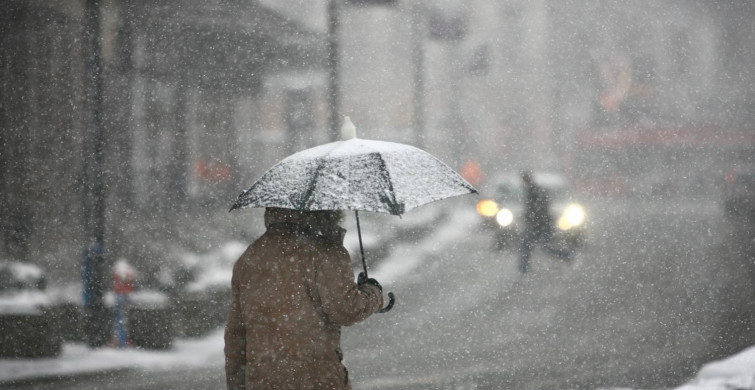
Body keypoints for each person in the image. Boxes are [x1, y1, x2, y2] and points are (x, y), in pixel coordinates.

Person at [224, 207, 384, 389]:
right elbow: (347, 309)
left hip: (262, 381)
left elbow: (236, 334)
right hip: (316, 378)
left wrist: (237, 383)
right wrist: (372, 293)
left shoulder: (250, 257)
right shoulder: (326, 251)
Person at [518, 170, 571, 273]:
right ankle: (523, 268)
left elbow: (538, 210)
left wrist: (532, 219)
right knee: (538, 246)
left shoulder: (534, 191)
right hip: (539, 225)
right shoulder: (533, 191)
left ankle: (523, 269)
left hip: (539, 225)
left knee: (535, 246)